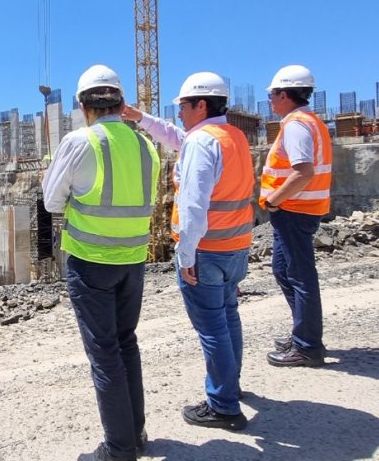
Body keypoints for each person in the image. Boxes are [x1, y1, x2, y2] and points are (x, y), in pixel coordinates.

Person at [123, 72, 253, 431]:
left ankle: (224, 405)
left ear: (201, 104)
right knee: (228, 317)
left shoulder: (202, 143)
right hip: (236, 246)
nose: (178, 111)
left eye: (182, 105)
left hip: (206, 250)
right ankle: (231, 385)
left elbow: (194, 207)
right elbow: (178, 139)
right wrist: (141, 118)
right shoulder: (231, 137)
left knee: (212, 327)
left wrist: (186, 256)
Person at [43, 64, 159, 461]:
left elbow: (51, 202)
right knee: (126, 344)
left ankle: (119, 449)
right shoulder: (147, 146)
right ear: (122, 103)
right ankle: (136, 433)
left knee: (104, 353)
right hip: (134, 261)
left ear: (82, 105)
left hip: (91, 263)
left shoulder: (80, 142)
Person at [260, 64, 332, 367]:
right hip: (298, 210)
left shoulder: (296, 125)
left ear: (285, 94)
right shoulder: (309, 122)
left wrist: (274, 201)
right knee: (284, 271)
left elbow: (303, 172)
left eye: (272, 94)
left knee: (301, 278)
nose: (270, 100)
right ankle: (302, 332)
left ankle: (307, 346)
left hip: (294, 211)